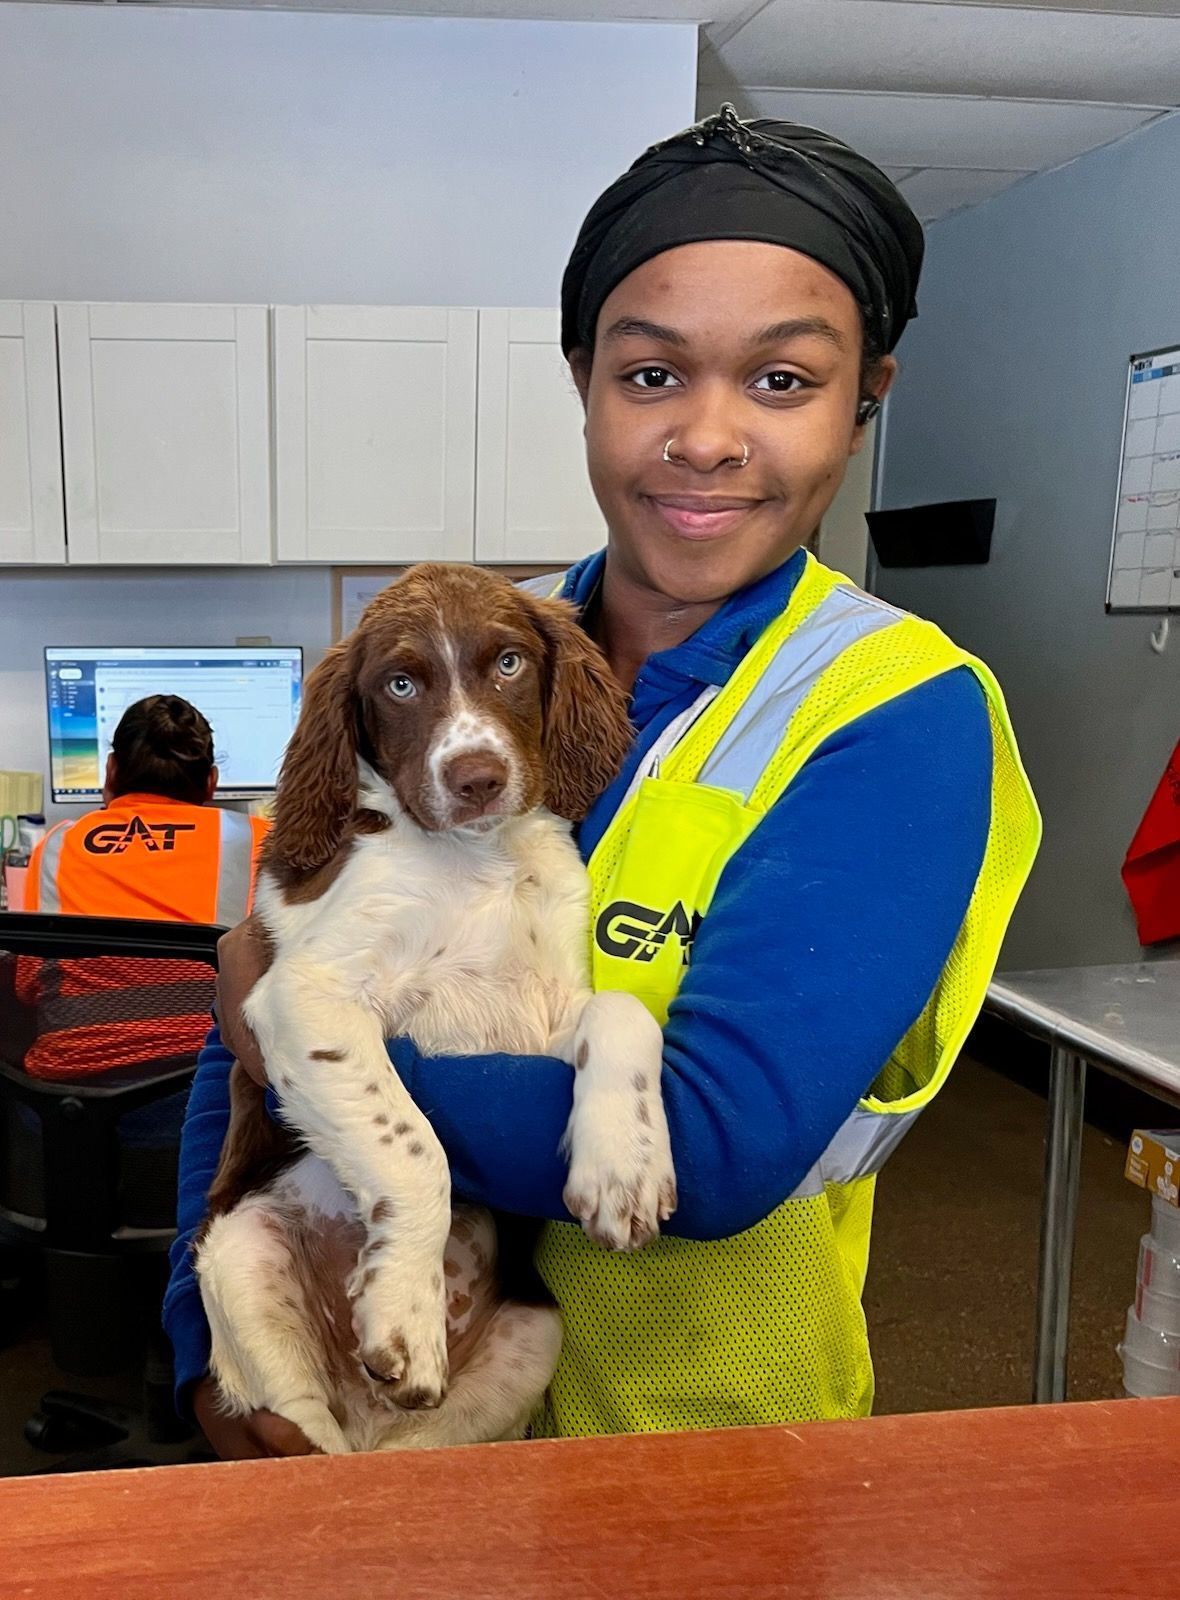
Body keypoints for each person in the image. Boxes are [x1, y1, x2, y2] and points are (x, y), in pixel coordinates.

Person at [165, 105, 1040, 1456]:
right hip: (359, 1409)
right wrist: (209, 1364)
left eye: (782, 381)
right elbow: (263, 981)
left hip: (687, 1421)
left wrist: (291, 1039)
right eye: (649, 376)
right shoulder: (484, 653)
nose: (704, 437)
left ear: (869, 397)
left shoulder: (897, 715)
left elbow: (714, 1148)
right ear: (583, 379)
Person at [20, 695, 267, 1080]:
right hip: (209, 1093)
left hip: (71, 1102)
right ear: (211, 782)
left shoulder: (55, 844)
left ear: (111, 769)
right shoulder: (259, 840)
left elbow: (29, 980)